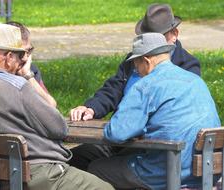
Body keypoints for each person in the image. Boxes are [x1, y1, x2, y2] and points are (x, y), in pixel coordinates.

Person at [0, 23, 114, 190]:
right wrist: (27, 77)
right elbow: (59, 128)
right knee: (104, 187)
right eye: (21, 55)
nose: (25, 59)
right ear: (9, 56)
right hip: (40, 173)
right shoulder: (17, 86)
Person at [88, 33, 221, 189]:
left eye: (136, 64)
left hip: (165, 171)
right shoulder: (196, 81)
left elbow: (117, 133)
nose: (136, 70)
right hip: (208, 170)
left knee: (96, 168)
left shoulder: (146, 85)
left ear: (146, 61)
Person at [70, 3, 200, 121]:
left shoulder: (187, 67)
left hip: (154, 137)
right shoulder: (134, 60)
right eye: (148, 38)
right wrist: (91, 108)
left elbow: (180, 111)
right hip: (120, 130)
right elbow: (114, 88)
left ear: (175, 34)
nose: (152, 45)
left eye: (158, 38)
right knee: (83, 148)